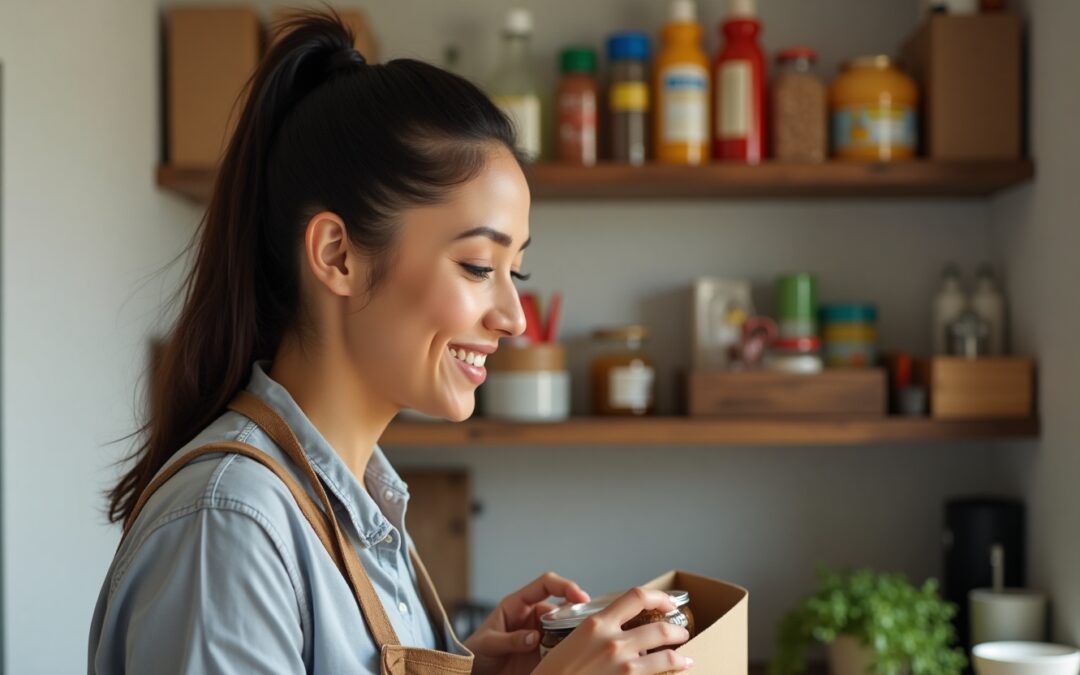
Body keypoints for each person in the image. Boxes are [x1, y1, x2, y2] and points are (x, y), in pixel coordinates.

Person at [88, 10, 694, 675]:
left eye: (514, 271)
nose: (514, 317)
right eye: (476, 266)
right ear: (337, 254)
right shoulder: (231, 523)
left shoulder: (355, 506)